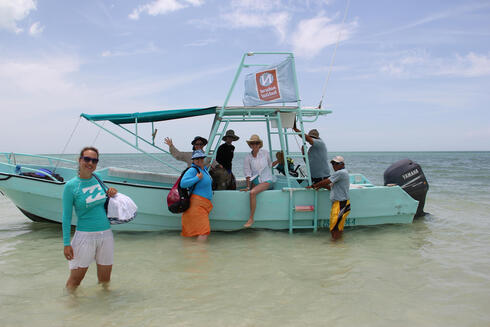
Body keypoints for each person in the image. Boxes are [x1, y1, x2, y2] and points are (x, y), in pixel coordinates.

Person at [62, 146, 118, 291]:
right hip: (84, 237)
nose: (90, 163)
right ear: (80, 160)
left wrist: (111, 191)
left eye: (94, 160)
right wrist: (67, 243)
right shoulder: (71, 186)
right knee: (75, 281)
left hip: (106, 235)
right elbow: (66, 217)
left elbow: (106, 200)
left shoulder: (98, 179)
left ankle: (105, 308)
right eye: (87, 159)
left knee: (105, 281)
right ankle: (70, 310)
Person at [308, 156, 350, 240]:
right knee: (337, 227)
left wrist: (314, 185)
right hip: (341, 204)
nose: (334, 166)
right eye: (333, 164)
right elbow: (330, 187)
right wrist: (321, 186)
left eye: (336, 164)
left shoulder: (340, 173)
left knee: (334, 228)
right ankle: (338, 246)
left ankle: (335, 246)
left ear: (342, 164)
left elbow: (327, 180)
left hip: (340, 204)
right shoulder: (342, 173)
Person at [242, 134, 279, 228]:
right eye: (252, 143)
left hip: (267, 180)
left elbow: (270, 164)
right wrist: (247, 186)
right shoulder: (247, 157)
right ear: (250, 145)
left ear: (259, 144)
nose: (255, 145)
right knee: (249, 191)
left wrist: (279, 160)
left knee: (252, 193)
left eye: (256, 143)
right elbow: (247, 173)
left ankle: (251, 218)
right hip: (256, 180)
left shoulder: (265, 153)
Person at [180, 150, 213, 241]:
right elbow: (183, 183)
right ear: (193, 160)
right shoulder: (192, 170)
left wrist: (206, 168)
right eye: (196, 158)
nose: (199, 160)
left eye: (201, 158)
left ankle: (193, 253)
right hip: (197, 205)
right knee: (203, 231)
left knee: (197, 232)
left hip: (203, 205)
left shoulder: (203, 169)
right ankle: (200, 253)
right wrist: (196, 178)